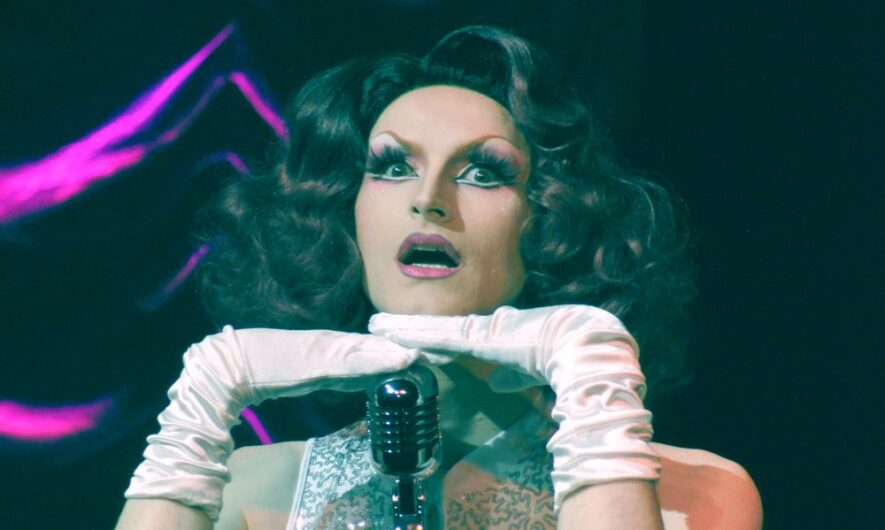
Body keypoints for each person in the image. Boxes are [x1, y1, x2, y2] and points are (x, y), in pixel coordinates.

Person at [115, 26, 762, 530]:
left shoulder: (697, 497)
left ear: (549, 216)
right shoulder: (248, 492)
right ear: (346, 210)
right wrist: (193, 422)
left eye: (484, 171)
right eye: (391, 166)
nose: (428, 198)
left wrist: (596, 406)